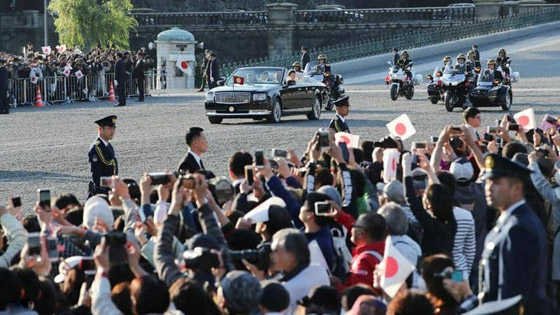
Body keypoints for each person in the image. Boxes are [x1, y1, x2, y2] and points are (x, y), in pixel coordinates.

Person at [477, 154, 550, 313]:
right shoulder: (509, 221)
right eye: (488, 181)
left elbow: (510, 297)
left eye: (496, 182)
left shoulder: (518, 228)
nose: (489, 187)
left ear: (517, 188)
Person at [268, 228, 330, 313]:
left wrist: (259, 277)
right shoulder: (320, 271)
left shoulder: (286, 290)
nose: (271, 256)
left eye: (276, 251)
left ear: (292, 254)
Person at [346, 212, 386, 288]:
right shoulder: (386, 251)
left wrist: (336, 285)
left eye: (354, 226)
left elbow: (358, 293)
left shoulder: (363, 261)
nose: (351, 229)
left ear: (362, 233)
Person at [87, 115, 118, 198]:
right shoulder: (96, 148)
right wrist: (113, 183)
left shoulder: (108, 146)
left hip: (110, 191)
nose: (112, 131)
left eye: (113, 128)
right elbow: (97, 177)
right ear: (100, 129)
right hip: (101, 193)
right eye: (109, 128)